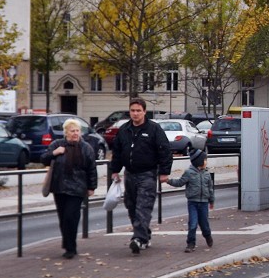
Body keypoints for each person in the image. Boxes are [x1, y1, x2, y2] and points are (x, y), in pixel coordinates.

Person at [109, 97, 173, 255]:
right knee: (131, 206)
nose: (135, 113)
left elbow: (165, 150)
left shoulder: (154, 129)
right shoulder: (124, 130)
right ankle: (145, 235)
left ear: (144, 112)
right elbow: (117, 152)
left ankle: (137, 239)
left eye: (138, 111)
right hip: (129, 174)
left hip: (147, 174)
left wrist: (164, 172)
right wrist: (115, 170)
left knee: (142, 207)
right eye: (132, 111)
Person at [41, 118, 98, 259]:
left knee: (71, 216)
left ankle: (71, 247)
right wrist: (54, 153)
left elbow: (91, 169)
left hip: (77, 188)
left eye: (77, 131)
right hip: (59, 187)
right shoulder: (57, 145)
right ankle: (68, 245)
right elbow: (43, 159)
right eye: (72, 131)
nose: (75, 133)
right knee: (63, 218)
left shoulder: (86, 148)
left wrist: (92, 187)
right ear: (66, 132)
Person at [166, 148, 214, 252]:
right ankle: (190, 243)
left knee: (204, 224)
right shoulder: (189, 173)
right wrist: (168, 181)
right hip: (193, 202)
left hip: (204, 202)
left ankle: (208, 236)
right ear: (199, 161)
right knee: (193, 224)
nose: (206, 161)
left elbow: (210, 188)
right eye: (205, 159)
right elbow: (179, 182)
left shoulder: (207, 173)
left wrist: (211, 200)